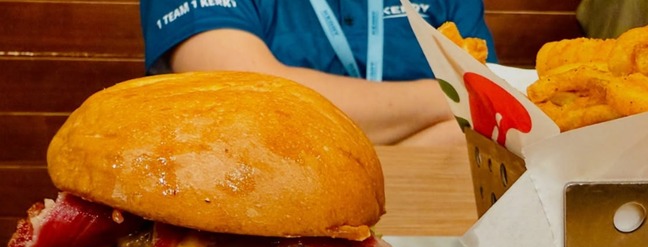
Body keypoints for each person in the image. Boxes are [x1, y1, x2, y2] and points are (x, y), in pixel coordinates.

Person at [139, 1, 498, 147]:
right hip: (261, 226)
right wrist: (447, 99)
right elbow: (250, 96)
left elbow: (494, 125)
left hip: (446, 233)